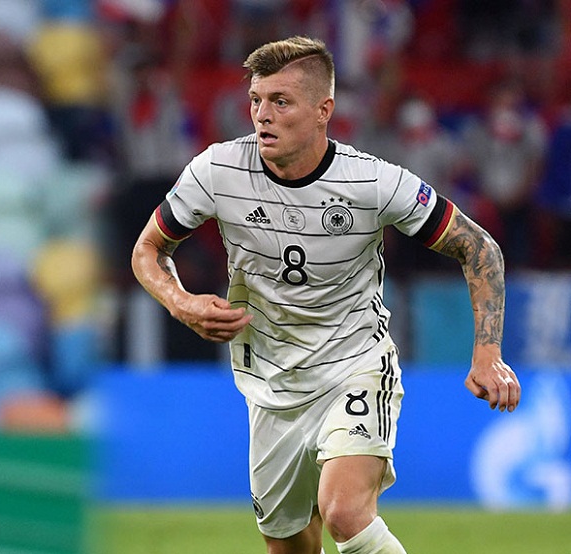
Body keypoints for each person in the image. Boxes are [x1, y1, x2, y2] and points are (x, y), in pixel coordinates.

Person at [130, 36, 520, 554]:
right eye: (256, 100)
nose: (262, 115)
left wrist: (488, 353)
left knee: (345, 512)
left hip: (355, 366)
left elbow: (479, 247)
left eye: (281, 101)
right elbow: (148, 249)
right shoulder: (217, 171)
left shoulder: (373, 182)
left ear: (324, 110)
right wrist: (181, 303)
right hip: (270, 384)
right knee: (289, 546)